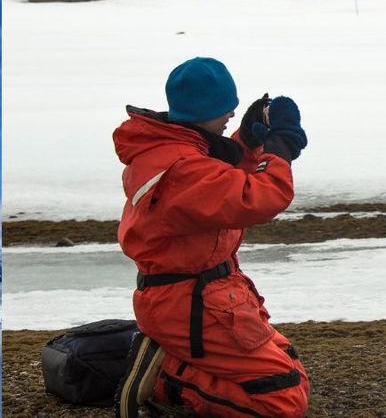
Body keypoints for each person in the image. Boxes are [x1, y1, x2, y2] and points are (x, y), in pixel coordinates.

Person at [112, 57, 310, 417]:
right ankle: (165, 376)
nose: (231, 115)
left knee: (290, 369)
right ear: (203, 110)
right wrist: (280, 150)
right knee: (283, 402)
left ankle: (173, 363)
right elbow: (253, 197)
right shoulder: (181, 169)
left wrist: (248, 144)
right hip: (188, 303)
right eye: (225, 109)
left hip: (214, 295)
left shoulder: (180, 152)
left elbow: (220, 183)